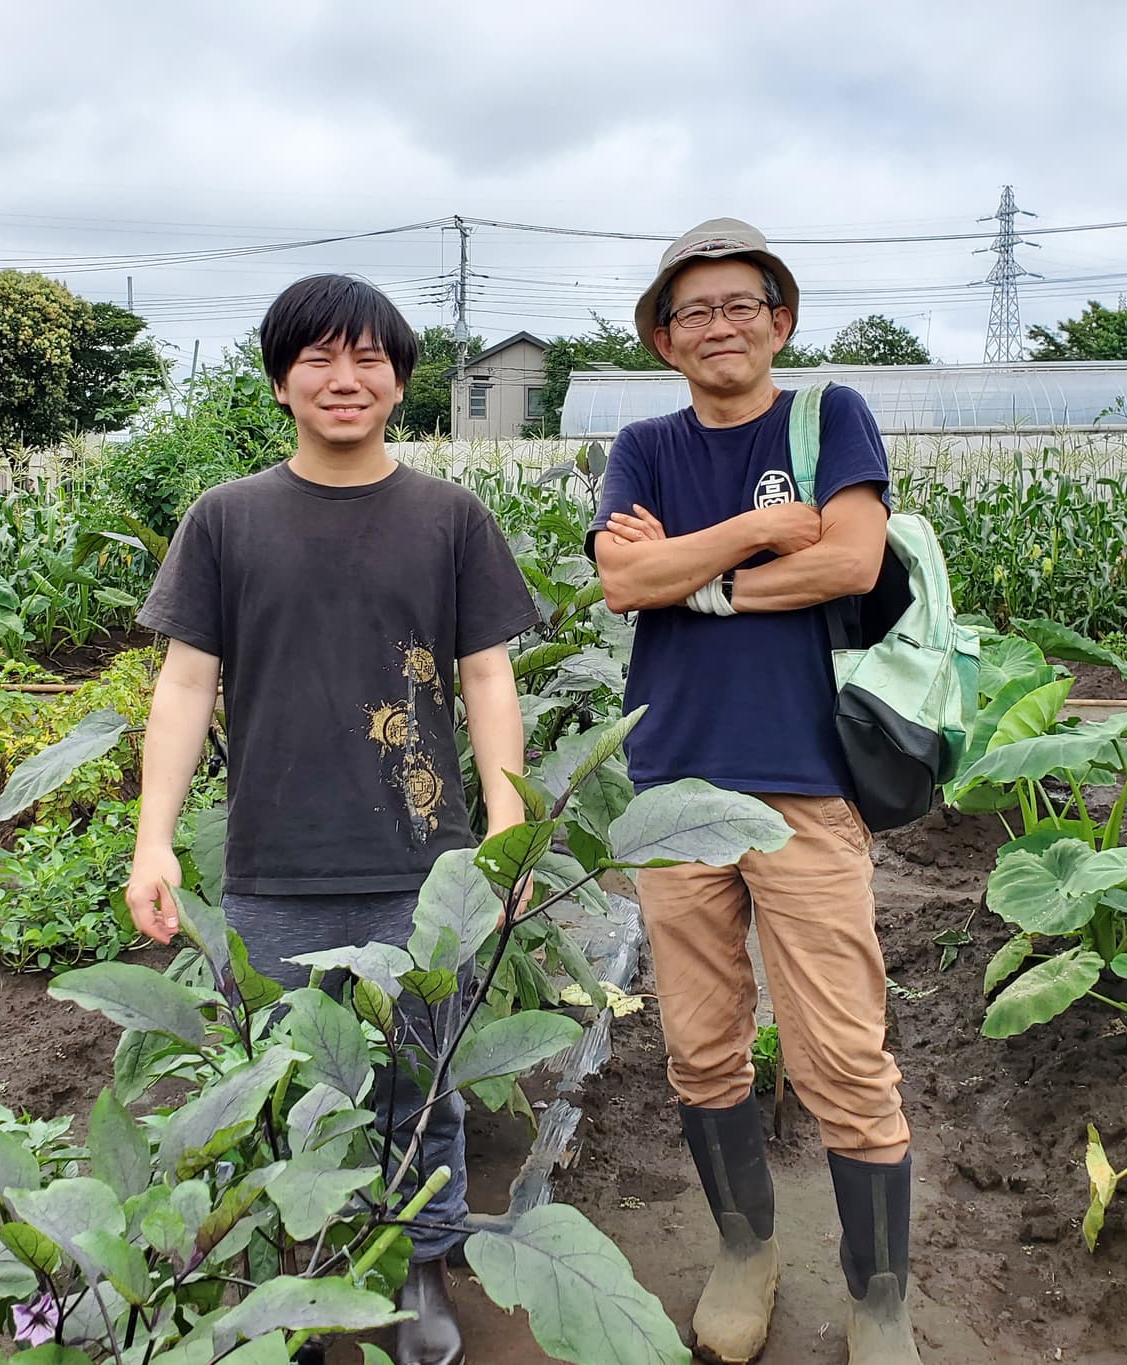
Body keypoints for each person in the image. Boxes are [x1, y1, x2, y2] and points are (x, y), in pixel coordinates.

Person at [124, 274, 540, 1365]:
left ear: (399, 381)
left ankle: (417, 1265)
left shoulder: (448, 518)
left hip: (423, 864)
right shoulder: (227, 518)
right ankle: (305, 1283)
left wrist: (505, 824)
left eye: (367, 360)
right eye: (317, 359)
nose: (343, 379)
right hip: (274, 864)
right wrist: (153, 837)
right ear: (279, 381)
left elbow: (488, 679)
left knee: (420, 1082)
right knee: (284, 1087)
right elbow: (182, 685)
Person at [589, 220, 921, 1364]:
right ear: (662, 338)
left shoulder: (829, 418)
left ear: (778, 320)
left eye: (742, 305)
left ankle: (878, 1300)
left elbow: (850, 562)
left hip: (803, 793)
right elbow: (622, 580)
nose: (719, 326)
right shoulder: (639, 444)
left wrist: (697, 576)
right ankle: (744, 1251)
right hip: (673, 790)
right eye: (694, 312)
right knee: (699, 1046)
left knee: (842, 1054)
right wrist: (757, 533)